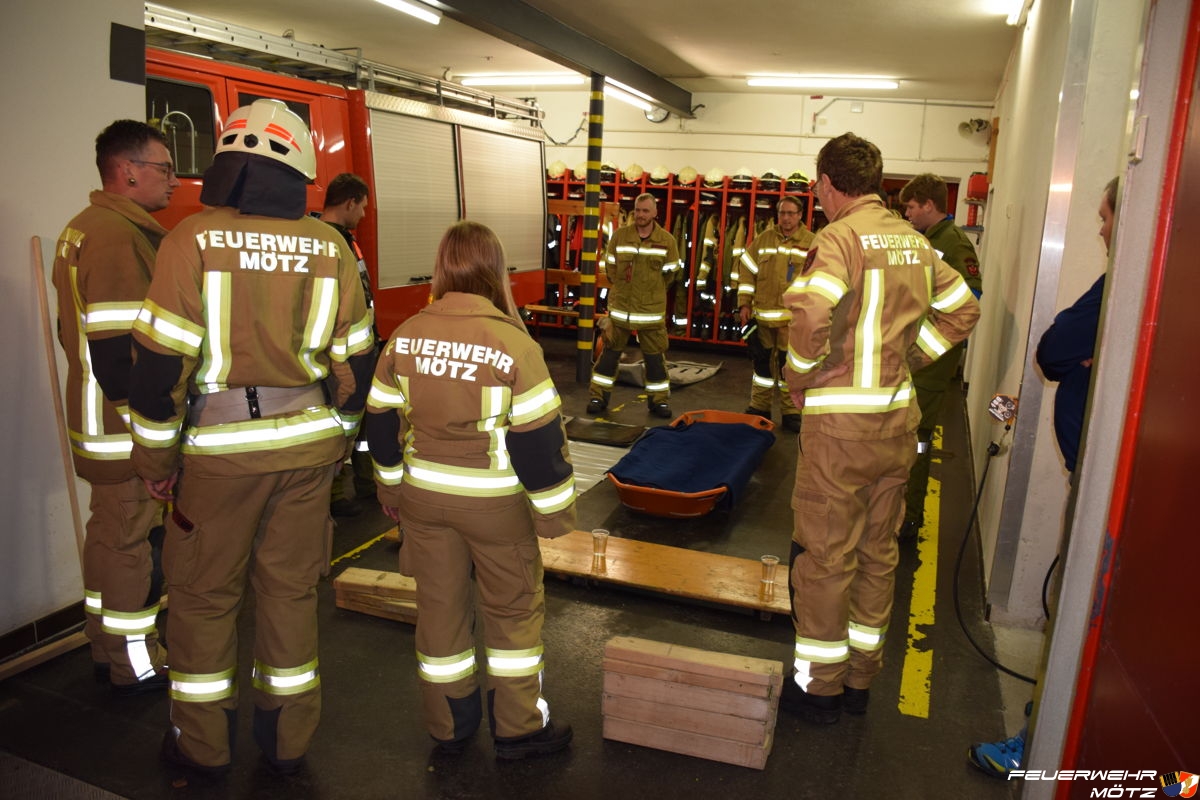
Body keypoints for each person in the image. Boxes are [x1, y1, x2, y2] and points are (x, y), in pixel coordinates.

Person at [129, 99, 375, 776]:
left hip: (217, 461)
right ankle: (288, 742)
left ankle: (201, 747)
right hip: (307, 454)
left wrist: (155, 458)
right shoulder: (331, 247)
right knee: (290, 595)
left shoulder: (191, 239)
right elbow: (358, 362)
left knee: (204, 601)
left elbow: (159, 368)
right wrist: (339, 439)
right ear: (302, 168)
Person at [780, 133, 980, 725]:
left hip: (841, 431)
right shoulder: (913, 241)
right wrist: (912, 358)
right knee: (877, 553)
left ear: (826, 183)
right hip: (897, 423)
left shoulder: (839, 238)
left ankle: (819, 689)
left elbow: (812, 313)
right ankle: (860, 681)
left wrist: (800, 376)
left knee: (825, 558)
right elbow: (964, 309)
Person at [365, 220, 577, 759]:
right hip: (495, 507)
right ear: (494, 270)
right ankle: (518, 727)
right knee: (512, 613)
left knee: (439, 611)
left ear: (442, 267)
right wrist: (554, 516)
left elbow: (381, 426)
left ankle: (448, 724)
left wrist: (390, 490)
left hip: (423, 499)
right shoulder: (514, 344)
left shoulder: (404, 336)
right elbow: (539, 443)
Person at [967, 176, 1118, 778]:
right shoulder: (1117, 284)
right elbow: (1059, 353)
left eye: (1106, 216)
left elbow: (1053, 351)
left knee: (1079, 619)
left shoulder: (1122, 285)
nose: (1100, 228)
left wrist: (1085, 351)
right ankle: (1055, 717)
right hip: (1094, 477)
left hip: (1106, 492)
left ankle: (1043, 747)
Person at [51, 120, 179, 695]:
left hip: (94, 420)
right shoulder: (117, 236)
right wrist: (151, 440)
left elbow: (73, 334)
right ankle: (136, 663)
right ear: (128, 170)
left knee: (107, 535)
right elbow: (121, 353)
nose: (173, 180)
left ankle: (105, 647)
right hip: (122, 426)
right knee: (130, 545)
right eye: (165, 168)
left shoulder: (82, 227)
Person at [898, 173, 984, 541]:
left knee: (916, 439)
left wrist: (924, 349)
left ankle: (909, 517)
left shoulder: (952, 243)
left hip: (929, 362)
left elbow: (969, 300)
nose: (907, 213)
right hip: (915, 357)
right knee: (904, 435)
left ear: (928, 204)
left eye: (911, 207)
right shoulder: (927, 240)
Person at [587, 192, 682, 419]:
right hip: (621, 309)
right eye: (638, 210)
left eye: (645, 211)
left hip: (651, 313)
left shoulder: (667, 241)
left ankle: (659, 402)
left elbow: (671, 274)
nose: (641, 215)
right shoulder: (620, 237)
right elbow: (611, 267)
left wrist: (653, 291)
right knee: (608, 357)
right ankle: (598, 397)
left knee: (655, 360)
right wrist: (623, 288)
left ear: (655, 213)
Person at [321, 172, 378, 517]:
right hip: (340, 352)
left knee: (360, 420)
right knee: (340, 416)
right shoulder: (326, 240)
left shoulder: (343, 238)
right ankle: (335, 494)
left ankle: (367, 482)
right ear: (350, 202)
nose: (364, 214)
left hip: (359, 346)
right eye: (363, 207)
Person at [737, 195, 815, 432]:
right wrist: (744, 304)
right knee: (761, 366)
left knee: (788, 368)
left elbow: (818, 280)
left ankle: (791, 412)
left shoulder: (812, 243)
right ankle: (759, 407)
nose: (786, 218)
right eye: (782, 213)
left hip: (792, 322)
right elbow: (746, 270)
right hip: (762, 318)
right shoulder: (764, 239)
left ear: (800, 215)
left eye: (791, 213)